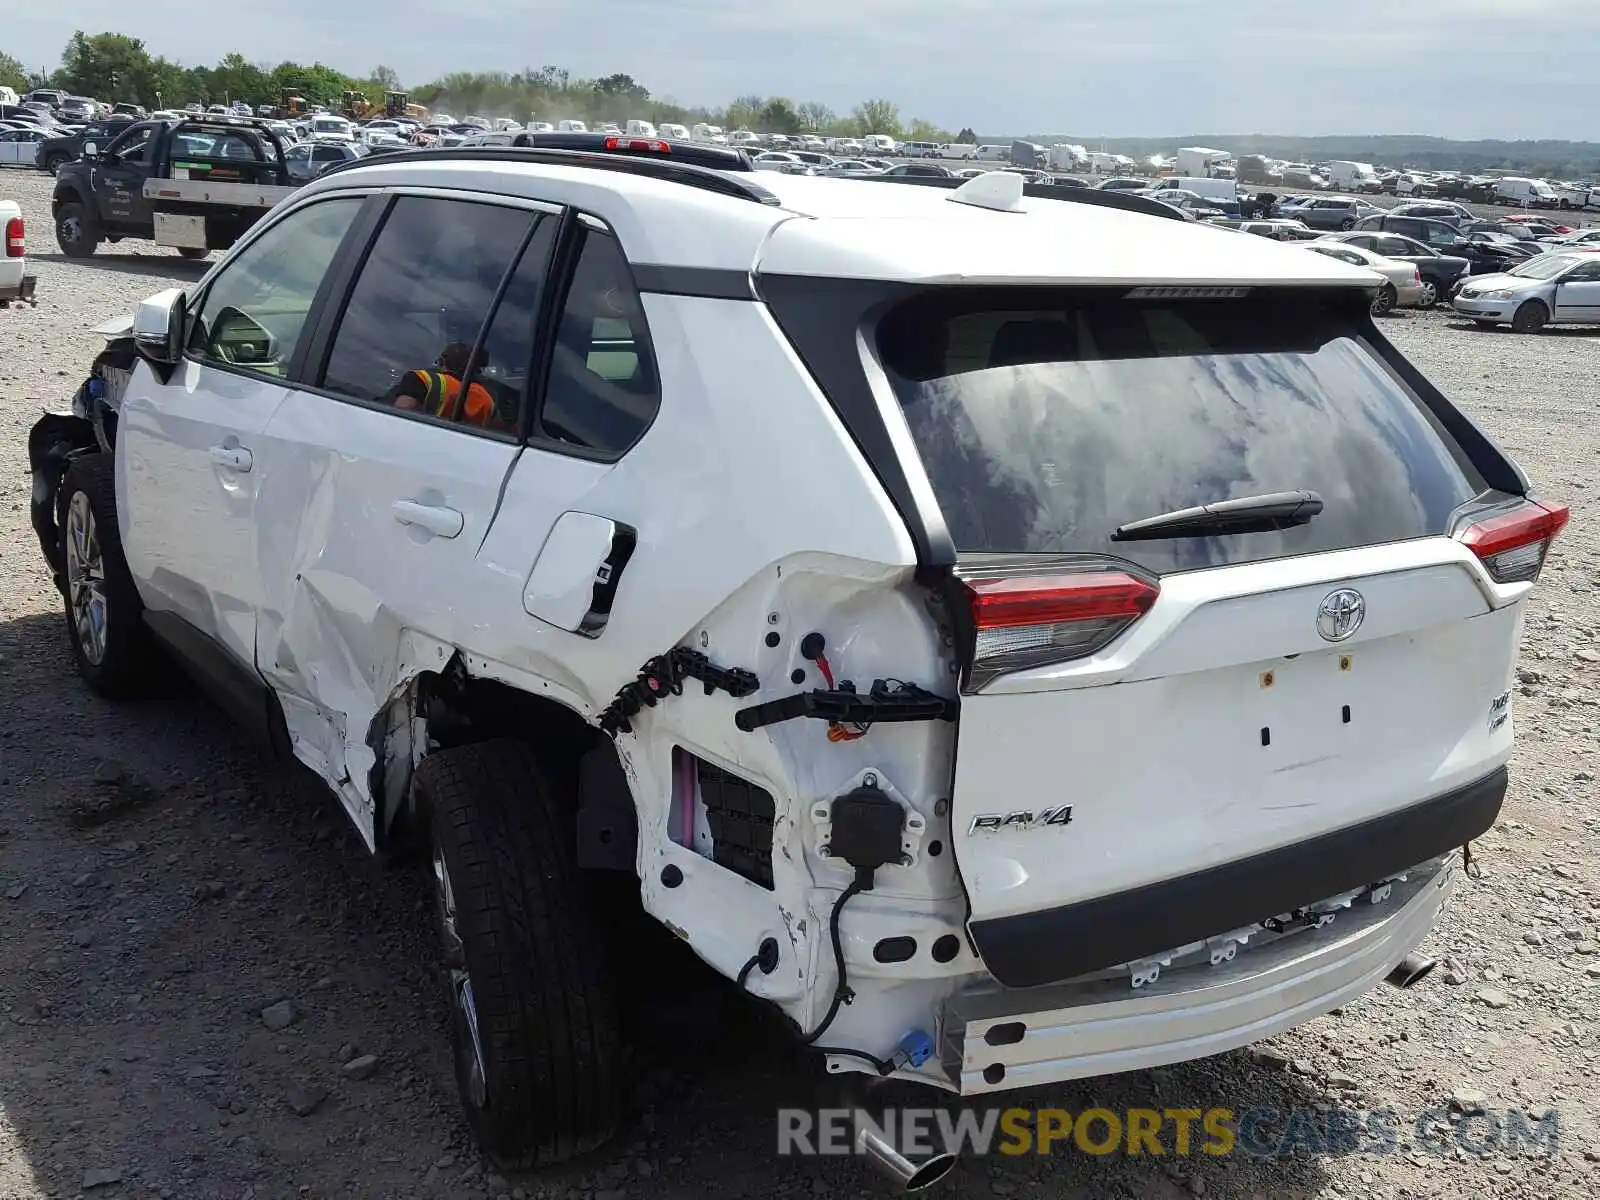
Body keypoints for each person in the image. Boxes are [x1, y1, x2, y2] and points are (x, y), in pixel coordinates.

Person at [388, 341, 506, 430]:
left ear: (442, 361)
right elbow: (501, 432)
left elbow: (398, 419)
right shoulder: (489, 400)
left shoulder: (422, 379)